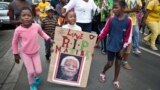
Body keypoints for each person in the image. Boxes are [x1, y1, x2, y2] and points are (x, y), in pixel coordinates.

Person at [12, 7, 51, 90]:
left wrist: (49, 39)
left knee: (38, 71)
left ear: (32, 17)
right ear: (20, 18)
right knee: (30, 71)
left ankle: (35, 77)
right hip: (25, 53)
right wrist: (15, 54)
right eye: (24, 15)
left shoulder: (36, 26)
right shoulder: (18, 30)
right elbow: (14, 42)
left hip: (35, 52)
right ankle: (32, 84)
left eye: (29, 15)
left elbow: (42, 33)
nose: (26, 17)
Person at [98, 0, 132, 89]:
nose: (114, 10)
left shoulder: (128, 21)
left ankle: (115, 80)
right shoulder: (111, 20)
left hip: (121, 47)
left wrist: (123, 48)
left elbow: (128, 36)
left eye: (116, 8)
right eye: (113, 7)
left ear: (123, 9)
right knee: (110, 63)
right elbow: (104, 31)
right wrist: (97, 41)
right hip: (111, 45)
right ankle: (103, 72)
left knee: (118, 64)